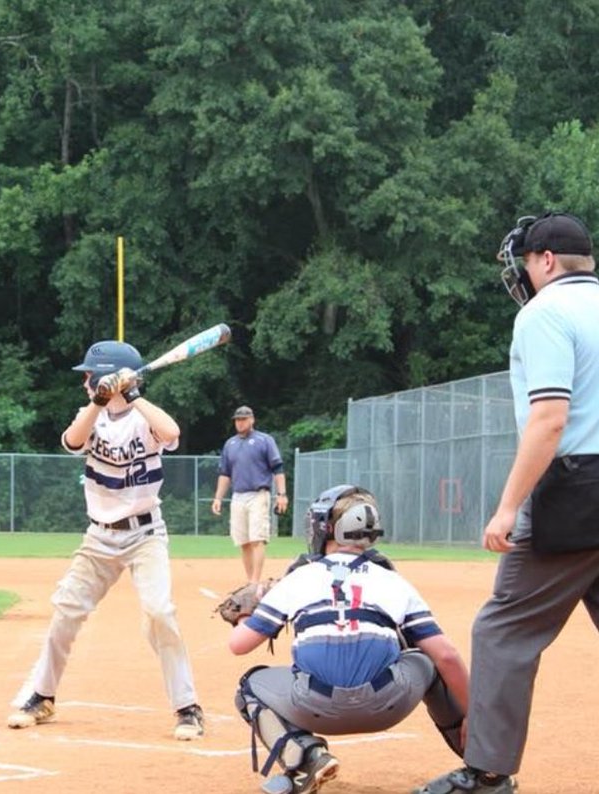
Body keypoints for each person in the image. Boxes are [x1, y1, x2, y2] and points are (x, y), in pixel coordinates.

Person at [417, 212, 599, 794]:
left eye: (526, 262)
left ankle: (489, 771)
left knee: (503, 629)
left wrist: (507, 506)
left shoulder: (544, 312)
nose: (523, 273)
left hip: (575, 491)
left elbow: (550, 419)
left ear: (545, 260)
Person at [6, 340, 204, 741]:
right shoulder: (90, 415)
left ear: (107, 375)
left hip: (145, 534)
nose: (84, 382)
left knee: (159, 612)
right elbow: (73, 440)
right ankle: (42, 696)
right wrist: (99, 400)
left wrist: (133, 395)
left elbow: (171, 432)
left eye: (89, 376)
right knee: (66, 611)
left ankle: (187, 707)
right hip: (99, 536)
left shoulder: (144, 418)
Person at [229, 485, 469, 794]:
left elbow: (239, 645)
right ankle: (482, 765)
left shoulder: (297, 578)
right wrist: (473, 715)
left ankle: (306, 758)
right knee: (429, 661)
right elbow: (447, 656)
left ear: (329, 529)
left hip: (314, 706)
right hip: (388, 705)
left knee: (249, 687)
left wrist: (245, 615)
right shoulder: (393, 581)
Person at [213, 405, 288, 586]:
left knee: (257, 539)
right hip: (238, 496)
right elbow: (225, 474)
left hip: (258, 494)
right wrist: (218, 498)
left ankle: (255, 581)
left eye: (244, 419)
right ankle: (250, 582)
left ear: (252, 420)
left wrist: (282, 494)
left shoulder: (264, 440)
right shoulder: (230, 444)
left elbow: (278, 469)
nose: (240, 423)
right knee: (244, 542)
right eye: (237, 420)